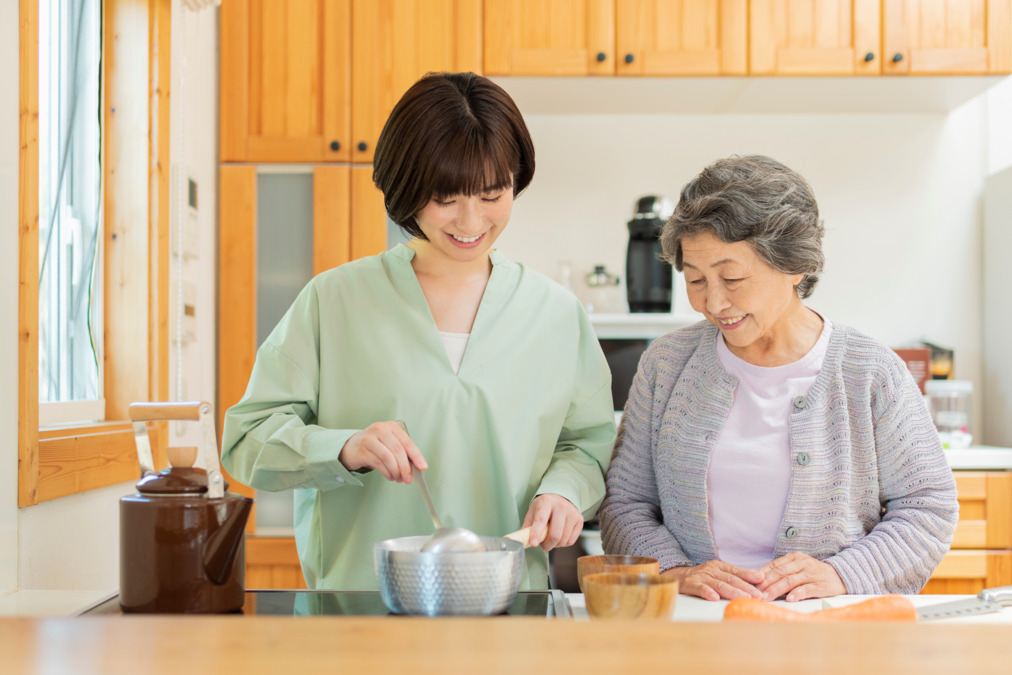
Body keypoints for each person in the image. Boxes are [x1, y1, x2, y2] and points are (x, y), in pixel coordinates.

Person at [221, 72, 616, 591]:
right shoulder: (334, 300)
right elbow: (248, 442)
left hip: (508, 605)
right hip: (360, 605)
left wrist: (564, 491)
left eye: (492, 194)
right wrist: (344, 447)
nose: (472, 221)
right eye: (445, 197)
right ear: (406, 188)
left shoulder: (557, 315)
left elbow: (587, 446)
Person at [599, 155, 958, 602]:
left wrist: (842, 575)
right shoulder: (666, 365)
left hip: (824, 625)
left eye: (732, 277)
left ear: (794, 266)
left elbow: (929, 506)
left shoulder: (870, 371)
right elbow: (625, 502)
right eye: (695, 280)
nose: (713, 302)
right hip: (695, 619)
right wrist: (673, 571)